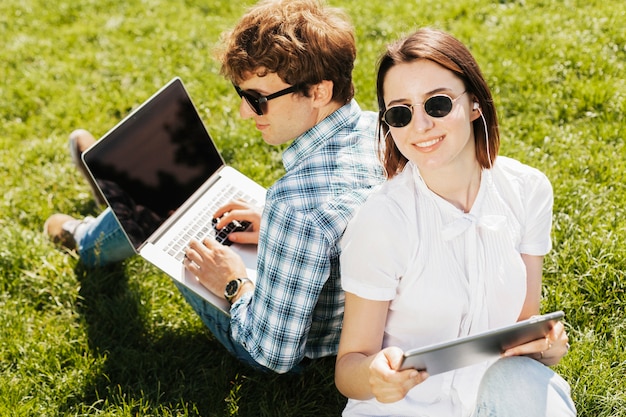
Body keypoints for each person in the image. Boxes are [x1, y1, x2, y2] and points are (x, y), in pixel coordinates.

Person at [44, 0, 384, 373]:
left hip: (289, 344)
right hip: (344, 317)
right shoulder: (379, 132)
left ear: (318, 92)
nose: (243, 113)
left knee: (167, 221)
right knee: (187, 205)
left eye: (257, 99)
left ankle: (89, 235)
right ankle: (119, 194)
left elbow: (272, 354)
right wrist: (274, 229)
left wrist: (233, 282)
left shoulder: (296, 210)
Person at [334, 28, 577, 416]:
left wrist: (548, 346)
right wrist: (374, 375)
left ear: (476, 103)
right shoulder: (380, 220)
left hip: (501, 391)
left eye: (438, 104)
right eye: (400, 113)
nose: (421, 126)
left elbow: (524, 327)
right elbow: (349, 366)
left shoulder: (528, 190)